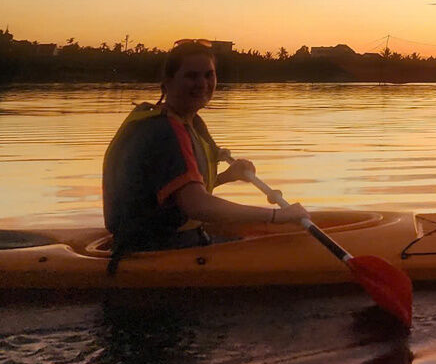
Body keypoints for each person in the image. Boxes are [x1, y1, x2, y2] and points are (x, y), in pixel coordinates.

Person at [102, 39, 308, 261]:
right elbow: (197, 205)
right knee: (283, 249)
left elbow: (176, 195)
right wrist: (277, 216)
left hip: (157, 242)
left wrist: (226, 177)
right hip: (162, 250)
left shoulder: (179, 122)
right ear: (168, 82)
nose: (202, 83)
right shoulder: (166, 131)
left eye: (209, 75)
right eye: (191, 76)